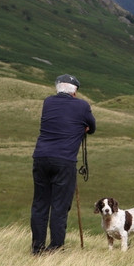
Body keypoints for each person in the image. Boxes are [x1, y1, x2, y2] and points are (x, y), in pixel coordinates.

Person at [30, 74, 96, 255]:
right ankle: (56, 247)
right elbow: (92, 127)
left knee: (40, 204)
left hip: (41, 157)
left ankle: (37, 248)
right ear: (74, 91)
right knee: (59, 206)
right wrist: (83, 127)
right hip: (64, 161)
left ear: (57, 88)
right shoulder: (82, 106)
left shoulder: (48, 102)